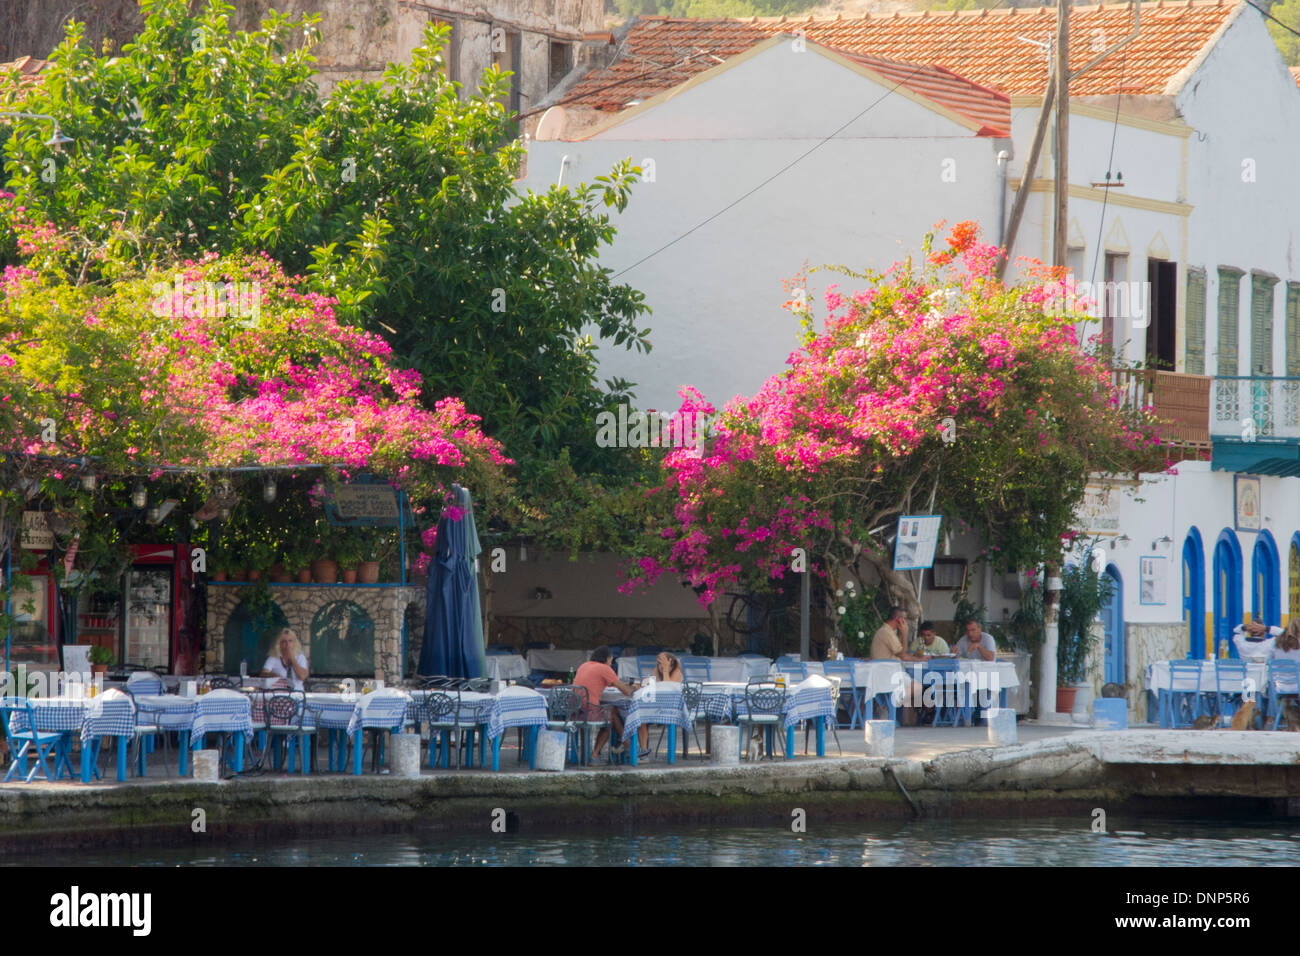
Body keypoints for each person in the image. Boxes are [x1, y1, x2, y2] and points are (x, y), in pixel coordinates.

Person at [574, 647, 640, 759]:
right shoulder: (604, 668)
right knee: (611, 715)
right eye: (611, 660)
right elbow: (626, 691)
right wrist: (635, 687)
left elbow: (607, 683)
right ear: (608, 658)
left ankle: (624, 743)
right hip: (589, 710)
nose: (611, 663)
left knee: (612, 711)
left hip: (574, 711)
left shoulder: (584, 665)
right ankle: (624, 744)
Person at [870, 606, 926, 717]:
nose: (906, 623)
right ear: (899, 619)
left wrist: (918, 659)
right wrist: (904, 634)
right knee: (918, 687)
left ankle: (889, 707)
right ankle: (888, 706)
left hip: (885, 672)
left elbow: (903, 654)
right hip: (887, 675)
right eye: (904, 619)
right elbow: (901, 653)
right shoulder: (886, 632)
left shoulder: (888, 631)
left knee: (915, 684)